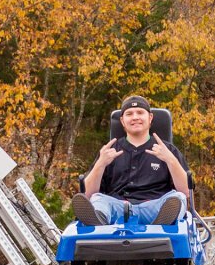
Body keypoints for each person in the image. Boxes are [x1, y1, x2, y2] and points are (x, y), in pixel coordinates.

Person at [72, 94, 189, 225]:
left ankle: (160, 224)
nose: (135, 117)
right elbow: (86, 195)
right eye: (129, 114)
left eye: (140, 112)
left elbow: (186, 192)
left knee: (178, 198)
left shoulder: (168, 150)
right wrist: (100, 164)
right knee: (97, 199)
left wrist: (170, 160)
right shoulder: (109, 151)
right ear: (122, 121)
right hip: (117, 208)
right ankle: (98, 220)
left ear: (150, 118)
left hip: (155, 207)